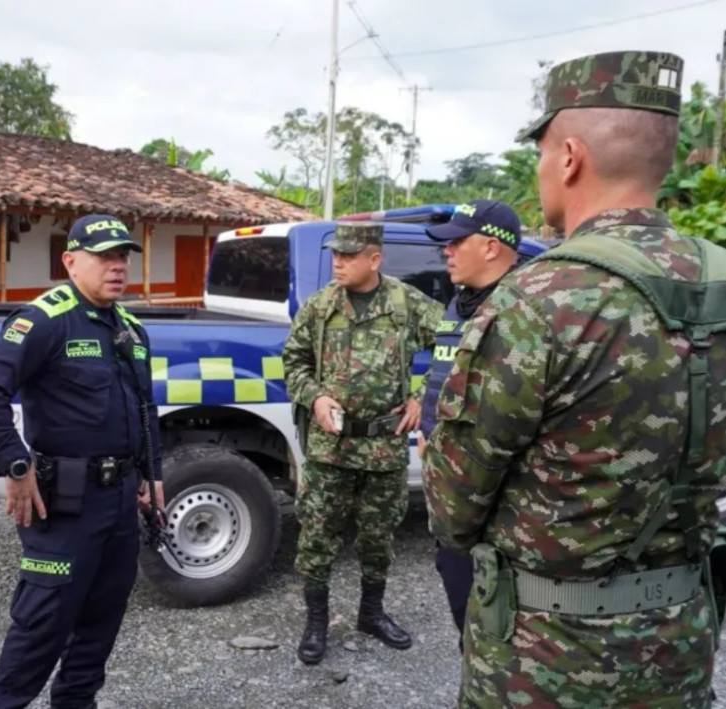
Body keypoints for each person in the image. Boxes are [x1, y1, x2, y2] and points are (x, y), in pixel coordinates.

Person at [423, 50, 726, 707]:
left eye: (538, 157)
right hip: (679, 646)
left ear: (567, 157)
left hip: (543, 660)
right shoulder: (719, 280)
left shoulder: (537, 299)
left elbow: (451, 506)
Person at [0, 213, 165, 709]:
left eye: (122, 256)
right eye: (104, 257)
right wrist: (15, 464)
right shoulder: (45, 320)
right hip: (64, 505)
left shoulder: (131, 330)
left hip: (119, 504)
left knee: (99, 628)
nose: (117, 267)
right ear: (70, 261)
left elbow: (144, 409)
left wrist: (153, 475)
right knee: (39, 631)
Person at [282, 222, 443, 665]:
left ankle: (371, 614)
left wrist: (424, 396)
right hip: (329, 449)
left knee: (378, 537)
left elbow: (456, 343)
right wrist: (314, 398)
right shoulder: (320, 307)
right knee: (316, 537)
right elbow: (292, 360)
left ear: (374, 259)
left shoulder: (405, 303)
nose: (338, 261)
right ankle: (316, 623)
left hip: (383, 446)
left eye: (349, 255)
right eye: (335, 254)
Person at [416, 198, 521, 650]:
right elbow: (443, 373)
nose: (448, 251)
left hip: (499, 503)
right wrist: (421, 415)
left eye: (458, 242)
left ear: (493, 247)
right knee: (464, 609)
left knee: (500, 627)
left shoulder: (522, 311)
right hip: (450, 491)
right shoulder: (459, 305)